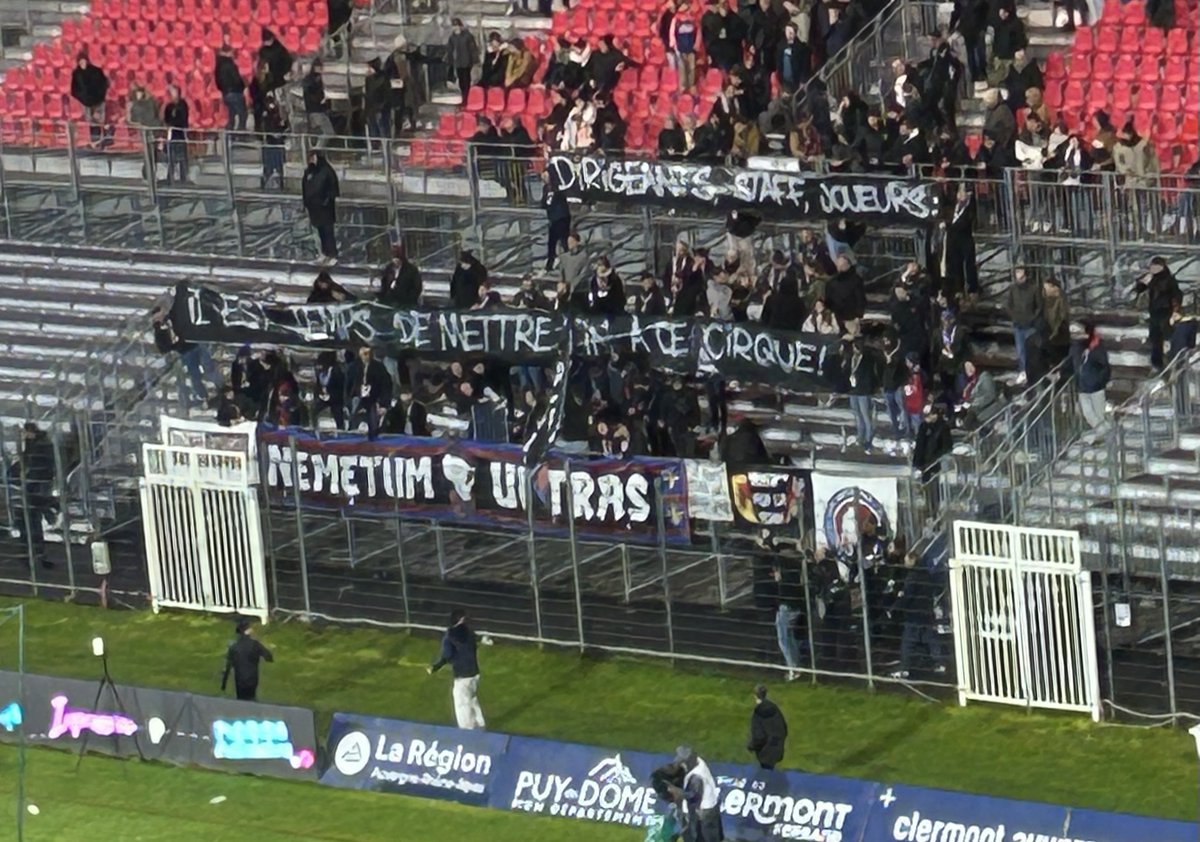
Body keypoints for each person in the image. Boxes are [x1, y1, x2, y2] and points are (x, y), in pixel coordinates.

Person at [889, 552, 947, 679]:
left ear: (911, 561)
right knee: (931, 639)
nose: (904, 564)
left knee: (908, 641)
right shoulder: (927, 574)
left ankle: (904, 668)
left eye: (906, 561)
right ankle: (940, 663)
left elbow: (908, 596)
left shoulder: (912, 577)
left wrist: (895, 608)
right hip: (926, 611)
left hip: (914, 614)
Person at [427, 608, 486, 730]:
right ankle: (480, 724)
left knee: (462, 703)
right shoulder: (470, 632)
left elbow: (447, 655)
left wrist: (435, 667)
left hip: (462, 675)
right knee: (472, 698)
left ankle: (467, 730)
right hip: (474, 673)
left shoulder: (450, 635)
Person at [14, 422, 56, 570]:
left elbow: (36, 467)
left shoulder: (39, 446)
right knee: (32, 526)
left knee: (29, 526)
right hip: (35, 489)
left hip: (35, 488)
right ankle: (38, 557)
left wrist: (24, 478)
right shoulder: (37, 444)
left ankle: (34, 557)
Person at [1131, 257, 1181, 371]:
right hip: (1154, 312)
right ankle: (1157, 364)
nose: (1152, 269)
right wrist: (1141, 282)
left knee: (1166, 337)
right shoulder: (1151, 277)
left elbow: (1175, 294)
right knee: (1155, 339)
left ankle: (1170, 361)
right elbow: (1139, 289)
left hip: (1165, 311)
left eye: (1154, 266)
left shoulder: (1168, 279)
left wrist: (1175, 310)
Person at [675, 746, 723, 842]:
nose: (682, 764)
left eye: (683, 762)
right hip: (711, 806)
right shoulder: (698, 761)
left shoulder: (696, 777)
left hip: (703, 812)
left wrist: (679, 793)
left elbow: (694, 797)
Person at [1005, 267, 1043, 385]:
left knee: (1030, 350)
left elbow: (1039, 306)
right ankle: (1023, 372)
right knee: (1020, 350)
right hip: (1018, 325)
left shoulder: (1033, 288)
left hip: (1030, 325)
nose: (1019, 279)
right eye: (1017, 275)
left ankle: (1032, 372)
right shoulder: (1013, 289)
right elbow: (1008, 305)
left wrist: (1032, 318)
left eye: (1021, 276)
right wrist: (1014, 316)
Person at [1070, 320, 1110, 432]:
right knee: (1088, 414)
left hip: (1096, 386)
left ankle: (1104, 436)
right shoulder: (1075, 348)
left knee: (1099, 414)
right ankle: (1106, 432)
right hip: (1082, 387)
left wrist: (1101, 381)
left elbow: (1104, 366)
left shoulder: (1097, 347)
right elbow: (1072, 364)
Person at [220, 618, 274, 701]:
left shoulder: (234, 647)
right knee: (252, 699)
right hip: (252, 680)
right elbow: (269, 658)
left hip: (240, 681)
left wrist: (223, 684)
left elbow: (227, 667)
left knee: (241, 700)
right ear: (248, 631)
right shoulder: (255, 645)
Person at [302, 150, 340, 266]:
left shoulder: (327, 171)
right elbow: (305, 187)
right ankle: (323, 253)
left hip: (325, 208)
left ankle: (332, 254)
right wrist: (306, 203)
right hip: (314, 208)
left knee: (328, 232)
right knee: (319, 233)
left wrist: (326, 201)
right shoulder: (309, 171)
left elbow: (333, 188)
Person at [347, 346, 393, 438]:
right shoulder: (353, 367)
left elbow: (386, 386)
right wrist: (347, 401)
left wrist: (384, 404)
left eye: (369, 353)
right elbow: (347, 385)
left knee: (373, 423)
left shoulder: (379, 367)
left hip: (374, 399)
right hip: (358, 398)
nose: (367, 356)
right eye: (364, 354)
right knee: (354, 422)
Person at [70, 52, 109, 147]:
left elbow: (104, 84)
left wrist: (100, 96)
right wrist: (82, 97)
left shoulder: (96, 71)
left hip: (98, 100)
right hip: (86, 102)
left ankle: (102, 141)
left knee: (100, 121)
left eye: (84, 61)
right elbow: (74, 89)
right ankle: (94, 142)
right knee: (91, 122)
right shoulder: (76, 73)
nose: (82, 63)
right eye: (80, 61)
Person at [747, 684, 788, 770]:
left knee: (765, 775)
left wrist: (752, 746)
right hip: (777, 747)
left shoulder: (757, 713)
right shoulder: (774, 708)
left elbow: (759, 736)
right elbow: (784, 728)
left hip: (765, 752)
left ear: (755, 696)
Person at [541, 169, 571, 272]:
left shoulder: (558, 188)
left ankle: (567, 264)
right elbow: (544, 202)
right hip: (553, 219)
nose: (544, 179)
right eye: (543, 177)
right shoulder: (545, 188)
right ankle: (550, 265)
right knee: (551, 244)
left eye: (546, 176)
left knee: (564, 242)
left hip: (561, 219)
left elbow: (560, 201)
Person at [214, 42, 247, 132]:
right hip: (235, 92)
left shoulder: (218, 65)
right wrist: (243, 87)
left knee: (231, 115)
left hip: (226, 93)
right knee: (242, 114)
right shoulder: (230, 64)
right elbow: (236, 79)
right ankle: (241, 133)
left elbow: (218, 81)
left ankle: (230, 132)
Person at [447, 19, 480, 105]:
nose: (456, 28)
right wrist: (450, 60)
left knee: (466, 81)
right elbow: (450, 50)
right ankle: (464, 98)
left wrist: (475, 61)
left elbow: (473, 49)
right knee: (461, 81)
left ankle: (468, 98)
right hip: (458, 62)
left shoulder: (467, 36)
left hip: (467, 61)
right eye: (454, 26)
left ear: (461, 26)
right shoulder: (452, 37)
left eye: (457, 26)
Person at [380, 243, 423, 308]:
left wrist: (408, 299)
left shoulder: (411, 270)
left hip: (406, 302)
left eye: (397, 259)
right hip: (390, 301)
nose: (395, 262)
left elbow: (417, 288)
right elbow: (384, 284)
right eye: (394, 259)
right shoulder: (388, 268)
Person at [261, 93, 288, 190]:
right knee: (269, 167)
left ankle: (281, 184)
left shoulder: (277, 114)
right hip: (270, 144)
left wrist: (284, 127)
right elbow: (265, 128)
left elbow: (283, 126)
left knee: (279, 166)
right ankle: (264, 183)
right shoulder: (266, 115)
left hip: (278, 143)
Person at [302, 58, 336, 138]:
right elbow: (310, 94)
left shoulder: (316, 80)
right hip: (316, 110)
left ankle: (318, 148)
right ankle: (318, 148)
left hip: (317, 109)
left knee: (321, 132)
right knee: (328, 132)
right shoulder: (311, 81)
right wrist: (321, 99)